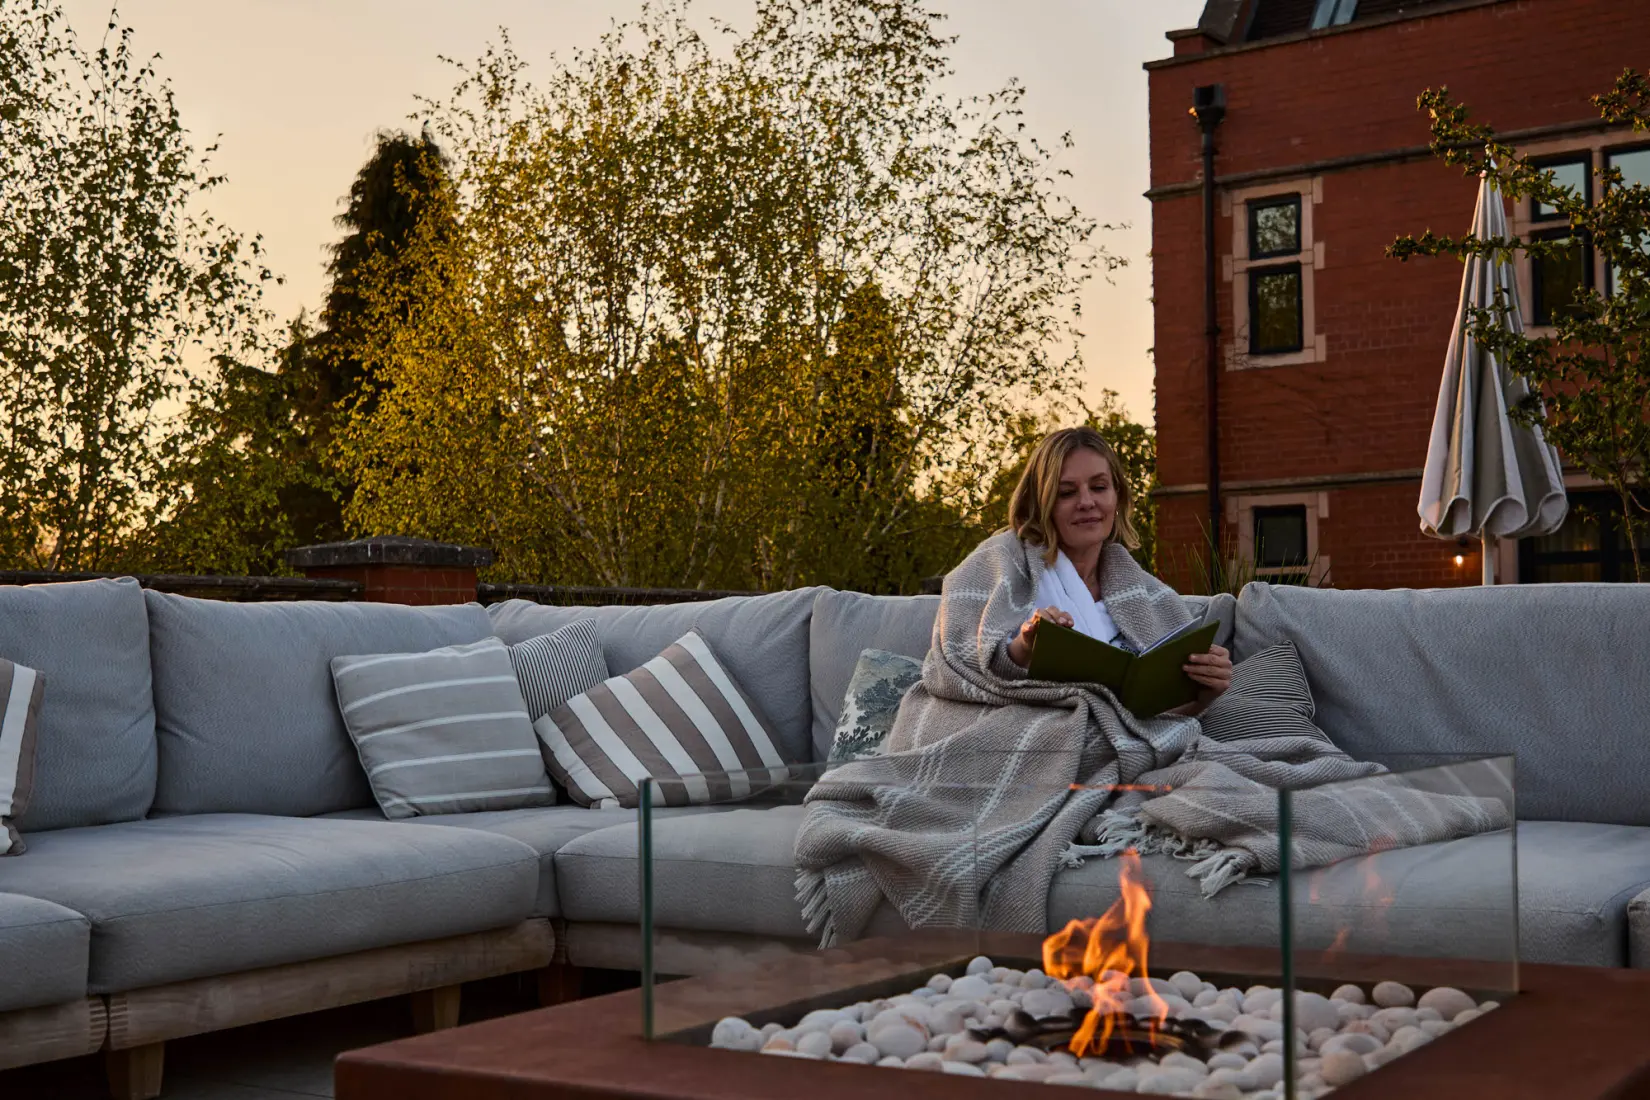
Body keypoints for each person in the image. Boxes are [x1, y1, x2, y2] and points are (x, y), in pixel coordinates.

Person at [1001, 426, 1232, 712]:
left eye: (1099, 488)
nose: (1087, 502)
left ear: (1117, 497)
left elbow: (1157, 717)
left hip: (1134, 737)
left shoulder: (1153, 597)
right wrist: (1025, 646)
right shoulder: (1005, 570)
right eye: (1066, 492)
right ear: (1040, 503)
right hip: (1042, 731)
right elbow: (969, 673)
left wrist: (1204, 694)